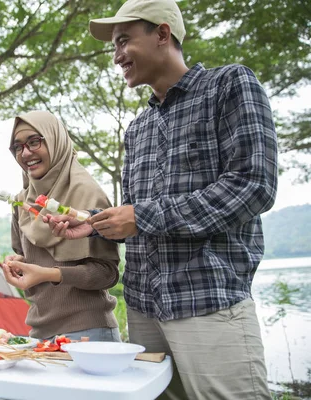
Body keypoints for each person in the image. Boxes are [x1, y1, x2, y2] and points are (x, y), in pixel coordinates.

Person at [48, 0, 277, 398]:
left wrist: (142, 218)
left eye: (123, 40)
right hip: (143, 312)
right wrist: (97, 221)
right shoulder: (137, 129)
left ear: (162, 34)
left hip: (209, 303)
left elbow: (253, 184)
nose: (116, 55)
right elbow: (136, 218)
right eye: (114, 46)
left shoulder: (229, 85)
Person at [2, 110, 122, 343]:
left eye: (34, 142)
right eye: (17, 147)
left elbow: (108, 274)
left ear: (55, 141)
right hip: (39, 333)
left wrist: (50, 274)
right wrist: (16, 264)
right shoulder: (21, 202)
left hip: (88, 333)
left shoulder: (87, 194)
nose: (25, 153)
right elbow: (25, 256)